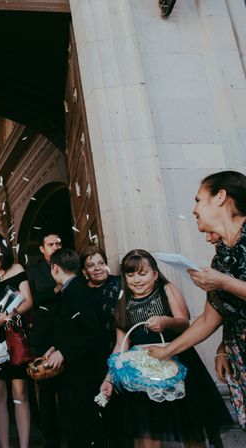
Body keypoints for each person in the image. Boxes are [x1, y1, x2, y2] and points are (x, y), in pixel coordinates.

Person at [149, 170, 246, 430]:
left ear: (221, 196)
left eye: (198, 200)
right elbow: (207, 319)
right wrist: (166, 351)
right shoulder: (222, 257)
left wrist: (223, 282)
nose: (194, 209)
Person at [104, 249, 231, 447]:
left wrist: (166, 322)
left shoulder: (167, 289)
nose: (137, 280)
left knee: (192, 432)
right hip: (142, 372)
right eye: (130, 275)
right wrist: (109, 379)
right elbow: (122, 344)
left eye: (142, 273)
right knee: (148, 436)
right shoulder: (123, 303)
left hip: (177, 362)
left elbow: (184, 323)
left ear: (155, 274)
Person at [44, 248, 107, 448]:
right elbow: (73, 329)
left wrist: (64, 352)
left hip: (83, 375)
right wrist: (55, 348)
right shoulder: (70, 290)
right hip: (73, 374)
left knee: (83, 429)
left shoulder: (77, 291)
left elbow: (91, 331)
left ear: (54, 268)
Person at [0, 233, 33, 448]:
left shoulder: (17, 269)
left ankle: (24, 445)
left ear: (2, 247)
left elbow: (29, 301)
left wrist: (10, 316)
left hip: (13, 334)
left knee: (20, 392)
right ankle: (3, 445)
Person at [26, 232, 62, 448]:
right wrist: (55, 290)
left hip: (66, 334)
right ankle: (51, 439)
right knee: (46, 393)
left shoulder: (69, 265)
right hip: (43, 335)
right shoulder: (33, 272)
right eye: (51, 244)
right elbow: (31, 300)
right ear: (42, 249)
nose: (56, 247)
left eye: (59, 243)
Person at [80, 245, 122, 351]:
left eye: (101, 263)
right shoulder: (79, 291)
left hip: (118, 346)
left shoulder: (118, 283)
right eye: (91, 265)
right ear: (84, 271)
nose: (97, 268)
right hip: (90, 351)